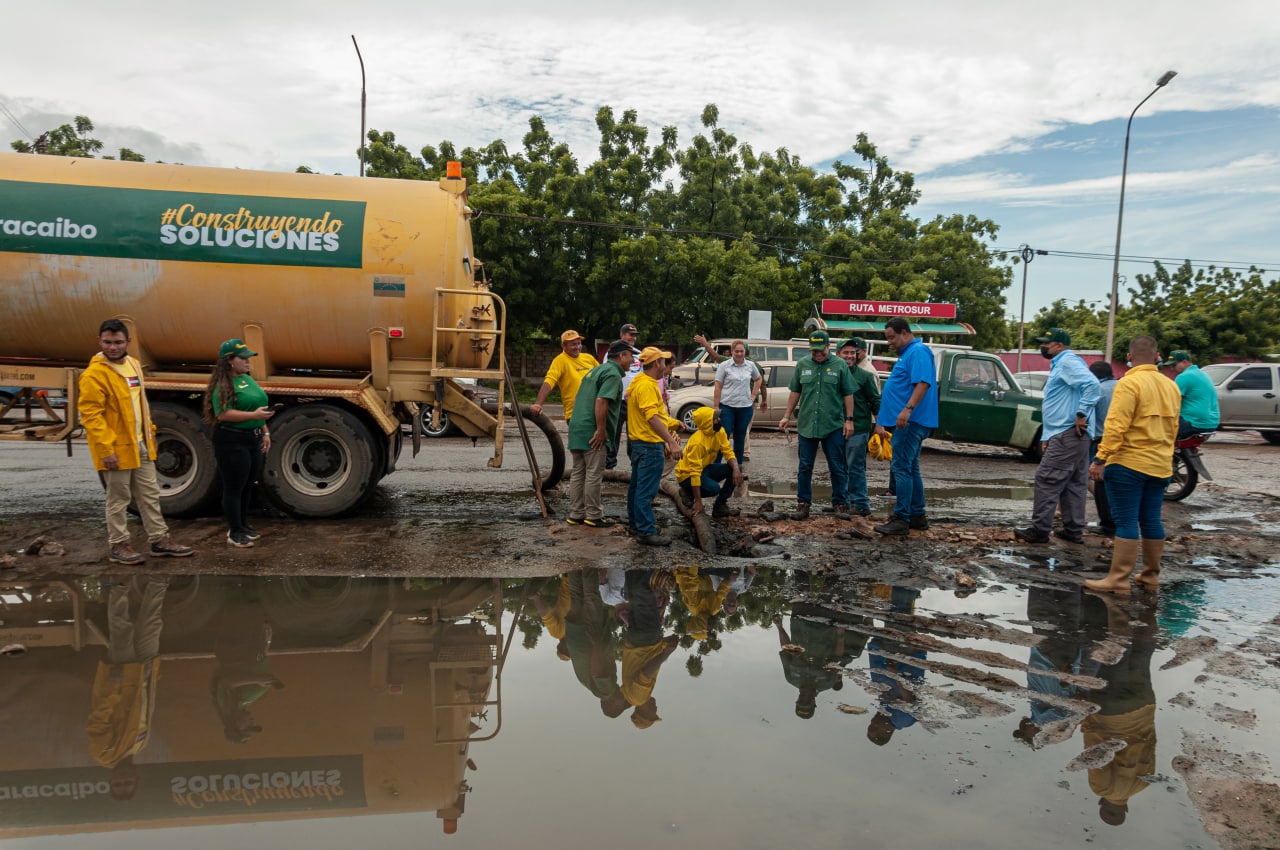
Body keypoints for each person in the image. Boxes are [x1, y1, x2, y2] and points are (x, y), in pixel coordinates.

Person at [78, 319, 193, 565]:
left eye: (118, 342)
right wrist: (106, 449)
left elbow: (141, 405)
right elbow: (91, 416)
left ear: (128, 342)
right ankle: (119, 545)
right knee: (119, 498)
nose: (112, 347)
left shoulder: (134, 365)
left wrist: (151, 434)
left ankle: (159, 540)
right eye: (107, 342)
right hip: (115, 449)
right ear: (99, 341)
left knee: (150, 494)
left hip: (140, 444)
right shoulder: (94, 375)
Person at [1085, 335, 1181, 594]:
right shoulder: (1171, 386)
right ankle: (1150, 576)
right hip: (1160, 464)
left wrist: (1100, 458)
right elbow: (1174, 427)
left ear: (1129, 357)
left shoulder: (1128, 384)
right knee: (1151, 519)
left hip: (1128, 464)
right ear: (1157, 357)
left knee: (1126, 521)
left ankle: (1118, 579)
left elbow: (1116, 425)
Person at [1014, 328, 1100, 545]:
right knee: (1074, 484)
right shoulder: (1064, 363)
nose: (1043, 347)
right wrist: (1047, 436)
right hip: (1070, 434)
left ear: (1059, 345)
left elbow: (1092, 385)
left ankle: (1040, 530)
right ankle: (1073, 530)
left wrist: (1081, 414)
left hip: (1068, 433)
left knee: (1047, 479)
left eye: (1047, 343)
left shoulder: (1067, 362)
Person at [87, 579, 168, 799]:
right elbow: (144, 709)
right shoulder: (140, 746)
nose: (123, 779)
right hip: (143, 676)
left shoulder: (103, 753)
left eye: (118, 783)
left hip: (122, 680)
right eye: (128, 783)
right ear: (137, 778)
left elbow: (100, 715)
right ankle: (158, 581)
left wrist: (113, 684)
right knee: (152, 626)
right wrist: (152, 678)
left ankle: (119, 584)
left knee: (121, 629)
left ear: (111, 780)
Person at [203, 339, 275, 548]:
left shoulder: (247, 379)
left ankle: (243, 526)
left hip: (253, 438)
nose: (247, 361)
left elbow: (258, 408)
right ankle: (235, 532)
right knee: (234, 486)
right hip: (232, 440)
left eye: (248, 358)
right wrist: (253, 416)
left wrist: (265, 431)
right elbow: (223, 414)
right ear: (229, 361)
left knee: (248, 485)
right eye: (243, 358)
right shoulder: (222, 384)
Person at [778, 330, 855, 520]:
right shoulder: (803, 364)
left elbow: (848, 393)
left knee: (837, 467)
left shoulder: (840, 365)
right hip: (807, 425)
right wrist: (786, 415)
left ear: (829, 347)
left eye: (821, 350)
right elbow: (795, 391)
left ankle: (840, 504)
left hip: (833, 425)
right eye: (814, 351)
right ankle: (803, 504)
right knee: (805, 466)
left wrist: (849, 420)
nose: (818, 354)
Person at [873, 318, 939, 536]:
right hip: (907, 421)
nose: (889, 342)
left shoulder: (917, 351)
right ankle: (917, 515)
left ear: (904, 333)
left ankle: (901, 518)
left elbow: (923, 382)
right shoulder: (908, 354)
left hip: (910, 422)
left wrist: (907, 409)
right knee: (910, 468)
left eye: (892, 337)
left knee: (901, 467)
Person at [565, 340, 633, 527]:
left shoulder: (595, 370)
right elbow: (601, 401)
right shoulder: (612, 374)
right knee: (594, 474)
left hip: (577, 427)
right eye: (630, 356)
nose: (632, 361)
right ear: (621, 356)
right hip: (592, 430)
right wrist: (601, 430)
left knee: (578, 472)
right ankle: (594, 515)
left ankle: (576, 513)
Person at [626, 347, 683, 546]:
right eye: (663, 361)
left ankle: (637, 525)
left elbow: (654, 415)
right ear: (657, 363)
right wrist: (671, 442)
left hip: (640, 444)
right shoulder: (647, 386)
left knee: (636, 487)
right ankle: (645, 531)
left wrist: (673, 423)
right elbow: (651, 418)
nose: (665, 365)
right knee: (646, 490)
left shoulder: (640, 381)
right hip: (649, 445)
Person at [837, 337, 881, 516]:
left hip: (859, 428)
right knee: (840, 468)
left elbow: (876, 401)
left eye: (852, 353)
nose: (849, 356)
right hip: (837, 428)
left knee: (855, 467)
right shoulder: (834, 374)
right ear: (837, 354)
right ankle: (844, 503)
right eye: (846, 352)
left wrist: (879, 424)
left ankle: (861, 504)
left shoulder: (865, 376)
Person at [673, 406, 744, 519]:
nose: (719, 420)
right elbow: (695, 473)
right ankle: (688, 492)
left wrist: (736, 469)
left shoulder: (719, 432)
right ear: (706, 423)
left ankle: (720, 506)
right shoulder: (697, 443)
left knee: (736, 469)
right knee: (714, 489)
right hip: (687, 475)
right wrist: (698, 501)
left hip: (703, 468)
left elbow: (728, 452)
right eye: (715, 419)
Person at [529, 329, 599, 423]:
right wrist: (538, 404)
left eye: (579, 343)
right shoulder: (560, 361)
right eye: (573, 344)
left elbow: (602, 375)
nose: (577, 347)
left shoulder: (589, 358)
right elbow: (549, 381)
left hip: (596, 411)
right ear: (563, 346)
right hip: (576, 414)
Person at [711, 340, 763, 463]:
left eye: (741, 351)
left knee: (740, 437)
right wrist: (716, 407)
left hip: (745, 407)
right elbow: (718, 386)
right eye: (736, 351)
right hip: (727, 407)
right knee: (723, 435)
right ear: (732, 352)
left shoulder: (750, 365)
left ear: (745, 352)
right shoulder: (724, 366)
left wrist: (753, 394)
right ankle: (716, 465)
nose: (739, 354)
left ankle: (737, 467)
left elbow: (758, 379)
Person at [606, 323, 643, 470]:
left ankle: (635, 466)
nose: (633, 338)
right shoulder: (612, 353)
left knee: (633, 435)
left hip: (634, 401)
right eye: (630, 335)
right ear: (622, 335)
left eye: (635, 336)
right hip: (617, 400)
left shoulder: (639, 354)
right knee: (613, 432)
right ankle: (609, 466)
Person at [1089, 361, 1118, 537]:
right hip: (1121, 442)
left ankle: (1108, 525)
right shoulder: (1122, 386)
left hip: (1101, 441)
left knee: (1099, 482)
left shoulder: (1097, 390)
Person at [1169, 350, 1220, 439]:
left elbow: (1170, 401)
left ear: (1184, 362)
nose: (1172, 369)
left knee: (1156, 430)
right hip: (1212, 423)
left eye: (1174, 365)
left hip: (1192, 423)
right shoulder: (1203, 374)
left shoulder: (1184, 377)